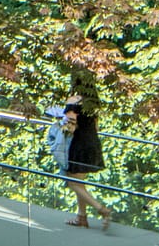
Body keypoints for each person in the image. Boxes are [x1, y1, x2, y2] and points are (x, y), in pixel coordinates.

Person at [46, 99, 115, 231]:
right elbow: (96, 127)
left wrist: (63, 124)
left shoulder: (73, 103)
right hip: (92, 144)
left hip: (79, 147)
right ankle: (81, 217)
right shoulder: (91, 106)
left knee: (73, 183)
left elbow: (70, 124)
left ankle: (102, 209)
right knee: (79, 183)